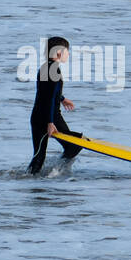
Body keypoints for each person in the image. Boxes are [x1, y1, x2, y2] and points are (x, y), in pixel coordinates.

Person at [29, 37, 83, 174]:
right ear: (59, 52)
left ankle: (43, 174)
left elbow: (48, 92)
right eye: (67, 51)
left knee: (39, 156)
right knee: (74, 145)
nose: (68, 54)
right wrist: (50, 122)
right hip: (48, 117)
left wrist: (62, 99)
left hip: (39, 116)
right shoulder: (54, 71)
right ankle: (55, 171)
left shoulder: (46, 67)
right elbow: (48, 98)